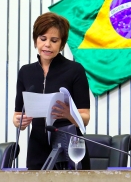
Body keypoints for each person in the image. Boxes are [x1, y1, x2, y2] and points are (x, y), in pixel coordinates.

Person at [13, 12, 91, 170]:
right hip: (37, 150)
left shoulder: (75, 70)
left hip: (69, 149)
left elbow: (85, 118)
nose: (47, 45)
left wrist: (69, 115)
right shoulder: (25, 72)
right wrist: (20, 122)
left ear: (61, 44)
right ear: (36, 40)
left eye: (54, 40)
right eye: (43, 39)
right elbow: (17, 116)